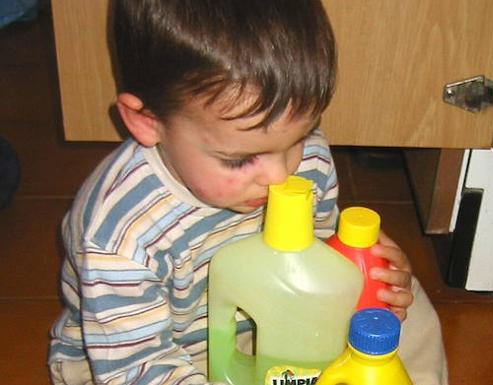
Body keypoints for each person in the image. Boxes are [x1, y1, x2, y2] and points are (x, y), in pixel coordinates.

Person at [48, 1, 447, 384]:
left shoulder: (296, 156)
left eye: (300, 137)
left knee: (406, 309)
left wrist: (361, 271)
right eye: (239, 160)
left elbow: (319, 249)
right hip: (157, 356)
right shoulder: (120, 235)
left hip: (272, 322)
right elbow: (136, 369)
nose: (280, 174)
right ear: (147, 121)